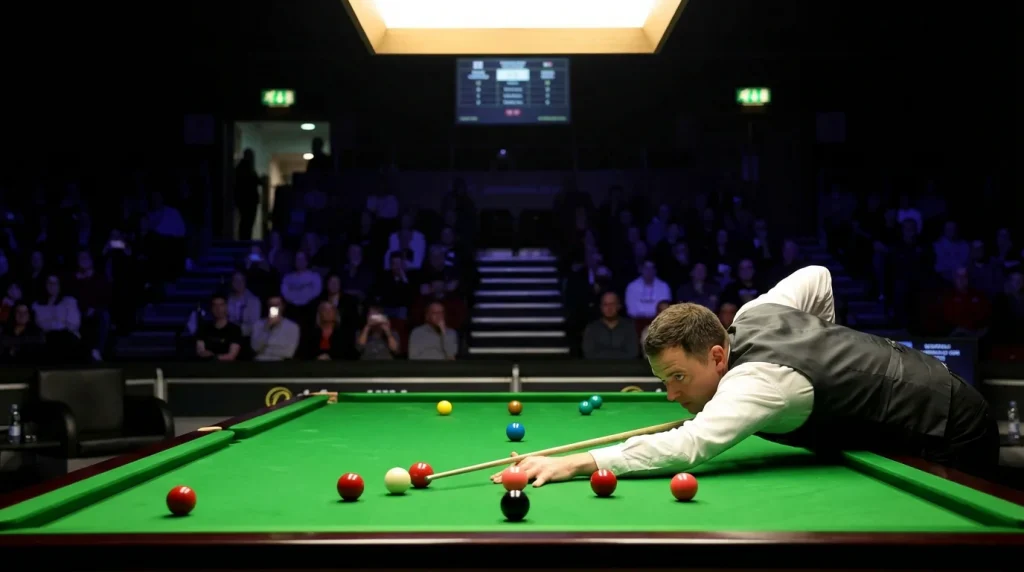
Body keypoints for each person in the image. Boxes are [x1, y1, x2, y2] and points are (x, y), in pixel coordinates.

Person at [493, 265, 999, 487]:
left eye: (676, 378)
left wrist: (577, 462)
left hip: (949, 424)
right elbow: (817, 276)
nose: (670, 395)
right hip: (927, 391)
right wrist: (826, 345)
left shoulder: (756, 382)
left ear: (717, 356)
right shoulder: (755, 313)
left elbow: (689, 447)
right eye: (662, 381)